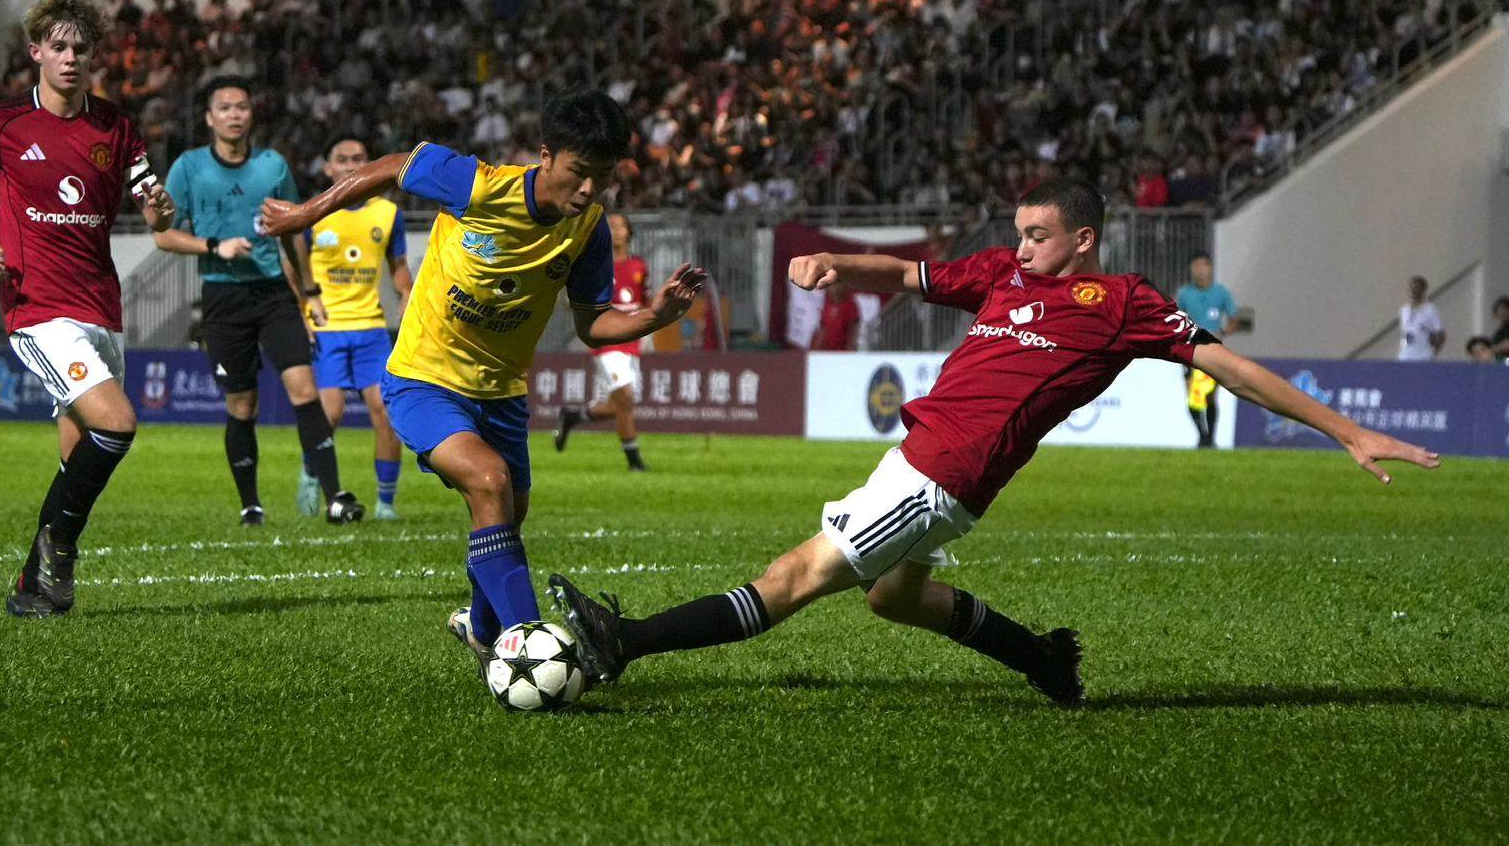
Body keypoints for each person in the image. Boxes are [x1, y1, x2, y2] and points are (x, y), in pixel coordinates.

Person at [548, 180, 1440, 705]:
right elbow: (905, 272)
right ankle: (1043, 658)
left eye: (1040, 235)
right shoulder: (1004, 276)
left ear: (1084, 239)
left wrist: (1347, 429)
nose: (1023, 248)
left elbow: (1234, 369)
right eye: (1019, 233)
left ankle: (625, 643)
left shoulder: (1122, 303)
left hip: (943, 472)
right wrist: (832, 265)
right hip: (931, 464)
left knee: (792, 580)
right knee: (895, 602)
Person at [258, 90, 707, 678]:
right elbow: (392, 166)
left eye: (602, 177)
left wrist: (653, 317)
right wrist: (304, 215)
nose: (588, 190)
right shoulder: (479, 184)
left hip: (501, 393)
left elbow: (592, 321)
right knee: (489, 482)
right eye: (578, 173)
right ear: (546, 157)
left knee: (506, 512)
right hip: (423, 378)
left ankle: (482, 626)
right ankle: (529, 648)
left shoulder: (589, 229)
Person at [0, 0, 177, 617]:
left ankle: (35, 584)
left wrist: (157, 207)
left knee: (80, 452)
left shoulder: (116, 126)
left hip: (101, 303)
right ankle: (59, 557)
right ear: (36, 51)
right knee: (118, 422)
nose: (70, 58)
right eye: (59, 47)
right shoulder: (3, 125)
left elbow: (146, 196)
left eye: (81, 48)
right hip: (36, 305)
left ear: (92, 55)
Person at [155, 77, 362, 525]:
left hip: (272, 295)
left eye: (242, 107)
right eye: (225, 107)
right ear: (210, 118)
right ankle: (251, 504)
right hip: (223, 299)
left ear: (252, 115)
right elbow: (164, 234)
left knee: (305, 390)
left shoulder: (272, 167)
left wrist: (308, 291)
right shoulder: (189, 168)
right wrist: (215, 246)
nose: (234, 114)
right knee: (241, 405)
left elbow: (293, 229)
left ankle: (335, 497)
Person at [293, 136, 414, 520]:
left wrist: (407, 294)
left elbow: (398, 268)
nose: (349, 165)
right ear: (328, 169)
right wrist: (301, 310)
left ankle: (385, 502)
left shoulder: (388, 214)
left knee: (385, 411)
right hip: (327, 327)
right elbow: (293, 266)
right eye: (341, 159)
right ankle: (312, 475)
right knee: (330, 415)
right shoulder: (313, 212)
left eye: (358, 159)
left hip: (371, 328)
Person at [552, 213, 651, 471]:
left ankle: (573, 417)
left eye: (621, 227)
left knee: (620, 404)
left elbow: (646, 303)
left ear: (629, 232)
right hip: (606, 340)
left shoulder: (639, 266)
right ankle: (635, 462)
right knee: (626, 396)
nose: (616, 231)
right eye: (611, 227)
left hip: (632, 342)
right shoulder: (596, 263)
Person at [1175, 252, 1239, 448]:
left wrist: (1222, 332)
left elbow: (1234, 319)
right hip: (1190, 349)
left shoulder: (1221, 293)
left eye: (1203, 266)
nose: (1199, 271)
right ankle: (1202, 434)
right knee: (1192, 396)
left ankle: (1210, 437)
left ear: (1210, 268)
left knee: (1210, 395)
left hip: (1212, 350)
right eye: (1196, 266)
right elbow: (1177, 318)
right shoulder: (1185, 294)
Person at [1397, 276, 1445, 361]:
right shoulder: (1404, 310)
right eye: (1411, 288)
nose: (1413, 291)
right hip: (1405, 354)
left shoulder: (1430, 310)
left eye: (1416, 288)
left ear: (1423, 290)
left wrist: (1434, 353)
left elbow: (1440, 334)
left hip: (1423, 355)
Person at [811, 280, 861, 351]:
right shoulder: (824, 301)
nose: (834, 288)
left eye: (837, 285)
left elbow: (853, 330)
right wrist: (815, 349)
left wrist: (850, 350)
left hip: (842, 350)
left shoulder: (850, 305)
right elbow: (822, 328)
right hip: (825, 349)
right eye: (831, 286)